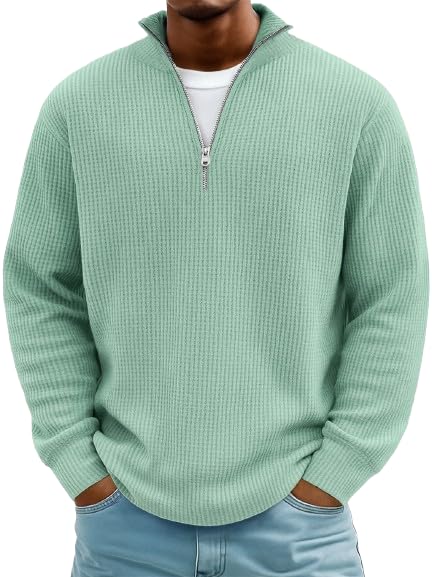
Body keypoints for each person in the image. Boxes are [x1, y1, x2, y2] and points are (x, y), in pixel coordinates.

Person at [2, 1, 429, 575]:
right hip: (124, 532)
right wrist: (79, 466)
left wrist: (337, 472)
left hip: (299, 534)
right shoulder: (77, 107)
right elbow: (40, 288)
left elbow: (392, 297)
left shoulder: (355, 105)